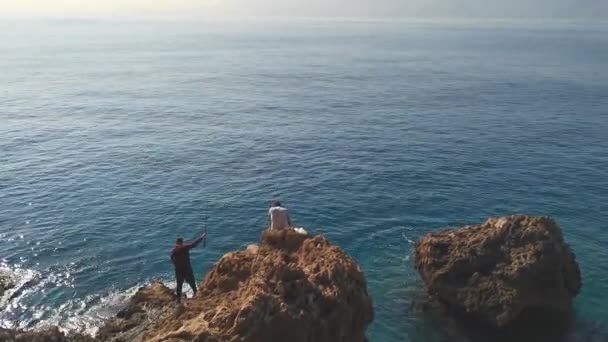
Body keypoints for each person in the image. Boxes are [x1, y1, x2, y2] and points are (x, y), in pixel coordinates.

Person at [170, 232, 207, 303]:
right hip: (187, 269)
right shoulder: (185, 248)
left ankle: (178, 300)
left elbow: (171, 258)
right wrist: (202, 237)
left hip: (179, 270)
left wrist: (176, 264)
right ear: (182, 243)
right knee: (192, 282)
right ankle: (196, 295)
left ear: (176, 243)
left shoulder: (174, 251)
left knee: (179, 285)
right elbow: (194, 244)